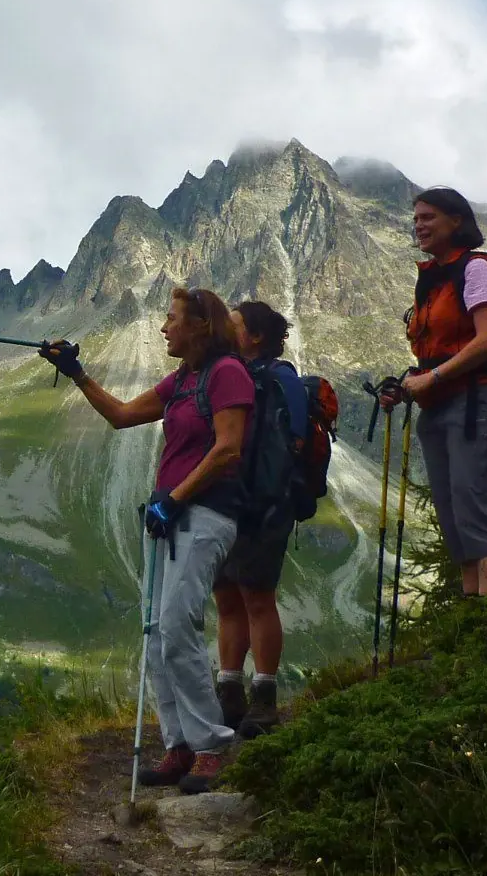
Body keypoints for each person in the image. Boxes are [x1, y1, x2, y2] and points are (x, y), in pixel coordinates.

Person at [39, 288, 248, 795]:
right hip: (168, 514)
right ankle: (178, 744)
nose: (163, 328)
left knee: (177, 625)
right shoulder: (183, 380)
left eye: (172, 319)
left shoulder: (227, 373)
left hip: (204, 514)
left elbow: (228, 450)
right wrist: (77, 373)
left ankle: (210, 747)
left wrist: (174, 498)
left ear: (200, 325)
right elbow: (123, 415)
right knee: (155, 631)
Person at [381, 187, 487, 596]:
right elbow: (436, 352)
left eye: (429, 217)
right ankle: (472, 627)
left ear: (457, 221)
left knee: (477, 510)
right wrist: (407, 386)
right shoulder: (434, 280)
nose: (419, 224)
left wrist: (433, 379)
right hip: (441, 405)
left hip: (476, 401)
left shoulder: (474, 270)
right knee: (456, 517)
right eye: (416, 217)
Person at [213, 301, 306, 739]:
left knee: (256, 597)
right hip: (231, 502)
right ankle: (230, 690)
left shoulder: (271, 380)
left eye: (234, 326)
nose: (227, 331)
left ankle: (264, 697)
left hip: (263, 504)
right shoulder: (235, 374)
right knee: (228, 597)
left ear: (254, 337)